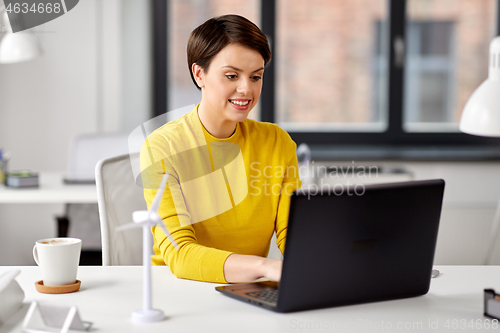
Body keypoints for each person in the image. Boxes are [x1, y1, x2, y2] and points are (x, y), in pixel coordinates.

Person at [140, 14, 301, 283]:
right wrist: (264, 267)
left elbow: (292, 234)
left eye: (256, 77)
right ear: (199, 74)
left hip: (248, 290)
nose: (246, 89)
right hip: (176, 288)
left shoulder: (277, 143)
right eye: (231, 75)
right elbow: (180, 254)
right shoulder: (163, 147)